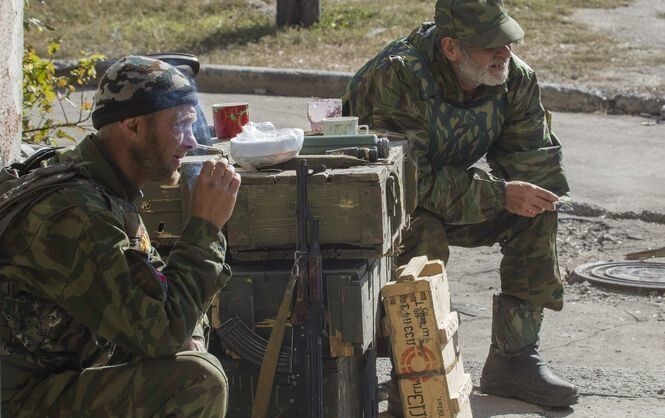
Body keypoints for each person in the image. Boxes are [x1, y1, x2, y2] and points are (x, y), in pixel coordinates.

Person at [343, 0, 579, 409]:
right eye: (491, 45)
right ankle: (414, 371)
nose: (504, 53)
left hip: (447, 192)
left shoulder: (513, 78)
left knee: (536, 212)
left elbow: (533, 161)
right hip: (382, 207)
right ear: (451, 48)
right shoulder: (396, 76)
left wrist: (534, 194)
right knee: (423, 232)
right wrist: (499, 194)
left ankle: (514, 359)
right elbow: (404, 184)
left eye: (508, 41)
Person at [0, 55, 240, 417]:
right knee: (197, 380)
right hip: (20, 400)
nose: (191, 142)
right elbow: (159, 330)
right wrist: (205, 228)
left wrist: (190, 336)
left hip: (59, 377)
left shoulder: (101, 187)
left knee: (188, 355)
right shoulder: (78, 215)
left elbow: (157, 292)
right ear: (132, 126)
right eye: (180, 125)